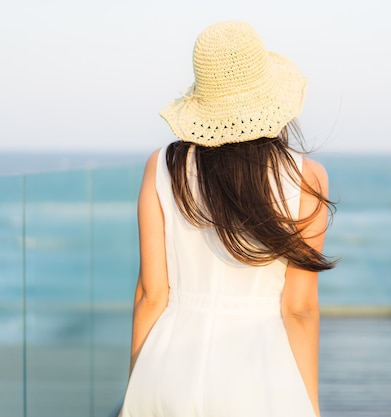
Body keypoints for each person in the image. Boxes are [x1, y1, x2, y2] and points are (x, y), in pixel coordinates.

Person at [118, 21, 335, 417]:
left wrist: (138, 386)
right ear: (271, 98)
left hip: (170, 367)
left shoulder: (162, 167)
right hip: (261, 373)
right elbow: (299, 309)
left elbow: (151, 295)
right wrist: (311, 405)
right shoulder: (306, 178)